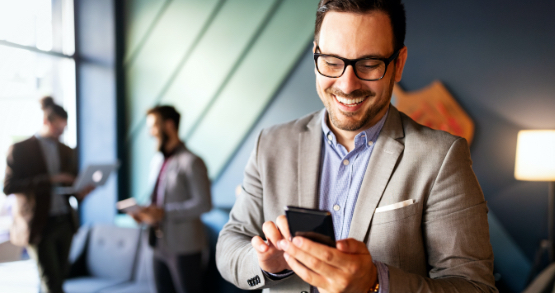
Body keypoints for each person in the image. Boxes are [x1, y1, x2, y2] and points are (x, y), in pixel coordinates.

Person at [216, 0, 497, 292]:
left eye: (369, 64)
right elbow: (230, 244)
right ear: (316, 55)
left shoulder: (441, 157)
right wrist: (265, 263)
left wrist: (376, 283)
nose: (347, 85)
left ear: (398, 64)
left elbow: (475, 287)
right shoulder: (270, 144)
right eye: (332, 62)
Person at [3, 97, 93, 293]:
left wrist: (82, 191)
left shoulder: (66, 150)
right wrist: (50, 179)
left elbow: (72, 191)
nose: (61, 133)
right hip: (39, 225)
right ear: (46, 122)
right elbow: (9, 187)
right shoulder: (21, 150)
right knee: (51, 282)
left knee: (59, 279)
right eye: (58, 129)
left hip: (65, 222)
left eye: (63, 130)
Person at [129, 105, 212, 293]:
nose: (150, 133)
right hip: (157, 244)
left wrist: (164, 213)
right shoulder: (157, 161)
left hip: (185, 247)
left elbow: (204, 203)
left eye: (154, 126)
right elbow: (157, 200)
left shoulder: (192, 161)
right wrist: (143, 213)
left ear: (169, 125)